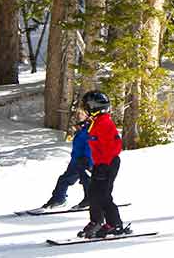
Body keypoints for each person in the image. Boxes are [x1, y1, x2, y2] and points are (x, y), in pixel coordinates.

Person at [77, 90, 130, 239]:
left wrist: (103, 166)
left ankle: (114, 224)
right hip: (101, 164)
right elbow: (96, 144)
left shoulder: (104, 123)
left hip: (109, 164)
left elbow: (114, 147)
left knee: (103, 195)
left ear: (93, 107)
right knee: (94, 193)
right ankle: (97, 221)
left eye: (86, 106)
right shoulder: (97, 122)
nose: (85, 109)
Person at [41, 119, 93, 210]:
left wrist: (89, 162)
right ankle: (59, 199)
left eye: (77, 124)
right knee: (64, 179)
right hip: (76, 161)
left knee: (86, 181)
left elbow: (90, 147)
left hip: (85, 162)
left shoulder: (88, 131)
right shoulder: (80, 132)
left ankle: (89, 199)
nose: (75, 127)